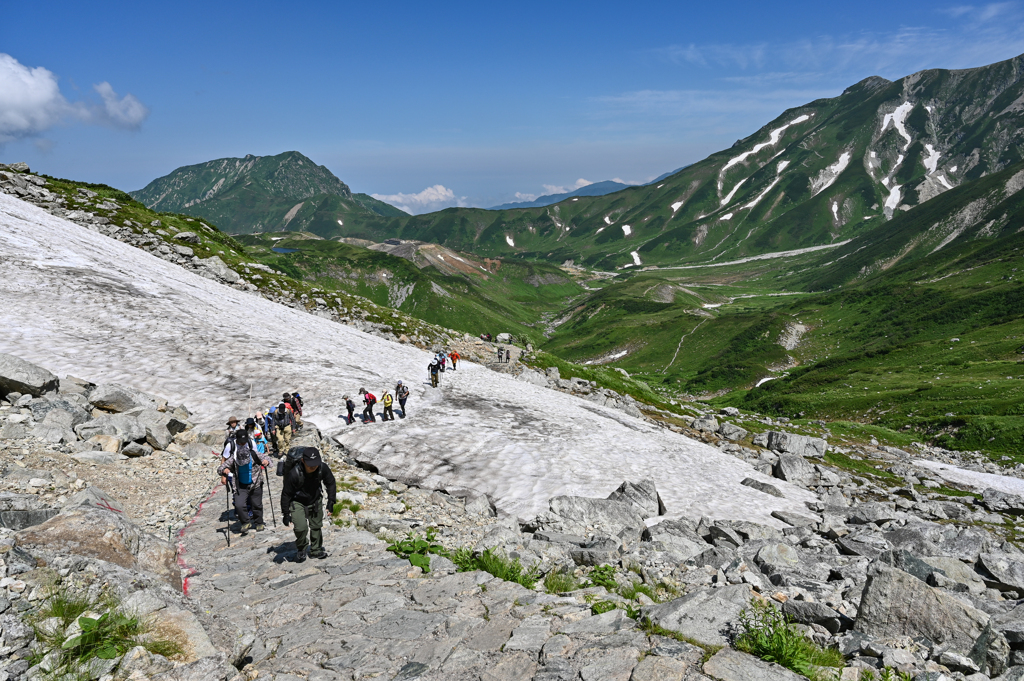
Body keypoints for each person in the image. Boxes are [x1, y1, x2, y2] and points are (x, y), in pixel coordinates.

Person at [281, 447, 336, 562]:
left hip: (315, 499)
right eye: (310, 465)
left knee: (316, 526)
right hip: (297, 501)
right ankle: (302, 548)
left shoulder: (322, 468)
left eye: (315, 464)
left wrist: (331, 502)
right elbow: (286, 494)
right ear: (303, 461)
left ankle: (316, 550)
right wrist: (286, 514)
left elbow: (330, 483)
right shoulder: (294, 473)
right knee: (301, 528)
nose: (313, 467)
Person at [218, 428, 271, 534]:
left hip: (255, 482)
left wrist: (266, 462)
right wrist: (225, 471)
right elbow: (220, 467)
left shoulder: (253, 451)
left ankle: (259, 522)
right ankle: (246, 522)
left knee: (257, 504)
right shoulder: (233, 455)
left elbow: (267, 459)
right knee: (239, 504)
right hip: (239, 483)